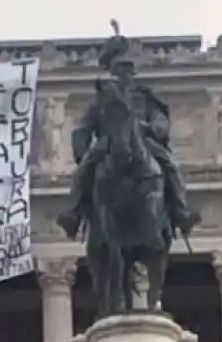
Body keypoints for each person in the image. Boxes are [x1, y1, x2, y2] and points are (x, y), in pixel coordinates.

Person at [56, 27, 201, 240]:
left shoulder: (144, 96)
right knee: (85, 169)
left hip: (143, 142)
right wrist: (81, 149)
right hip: (107, 144)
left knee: (170, 166)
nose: (124, 74)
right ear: (112, 71)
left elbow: (160, 120)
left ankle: (180, 211)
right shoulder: (103, 99)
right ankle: (74, 213)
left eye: (128, 69)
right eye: (120, 69)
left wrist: (150, 127)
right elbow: (84, 127)